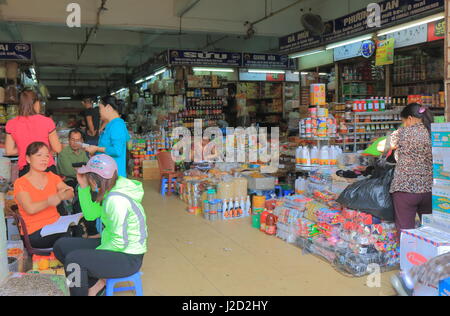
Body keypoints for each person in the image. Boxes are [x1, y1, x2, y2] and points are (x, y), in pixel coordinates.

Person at [53, 154, 147, 296]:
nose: (88, 179)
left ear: (96, 178)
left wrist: (92, 256)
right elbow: (90, 214)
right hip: (112, 244)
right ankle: (90, 286)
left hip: (128, 256)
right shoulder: (111, 189)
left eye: (89, 176)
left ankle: (88, 289)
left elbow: (120, 243)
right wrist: (83, 187)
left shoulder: (116, 200)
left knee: (74, 260)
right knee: (61, 245)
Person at [14, 142, 76, 249]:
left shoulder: (52, 176)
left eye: (47, 155)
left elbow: (70, 192)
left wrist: (61, 196)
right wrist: (50, 201)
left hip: (56, 225)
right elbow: (30, 209)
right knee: (67, 240)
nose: (44, 159)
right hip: (35, 232)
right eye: (39, 155)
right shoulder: (20, 183)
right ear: (28, 159)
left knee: (75, 231)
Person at [390, 103, 434, 233]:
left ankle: (407, 253)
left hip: (405, 189)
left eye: (404, 121)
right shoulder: (433, 131)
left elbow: (383, 147)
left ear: (409, 118)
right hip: (429, 189)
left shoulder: (403, 132)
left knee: (405, 231)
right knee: (430, 231)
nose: (404, 124)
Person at [5, 89, 63, 177]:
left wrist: (24, 148)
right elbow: (58, 148)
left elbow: (9, 151)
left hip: (25, 169)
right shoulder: (47, 121)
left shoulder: (11, 123)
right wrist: (43, 150)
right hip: (46, 166)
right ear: (35, 103)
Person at [85, 96, 130, 177]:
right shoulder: (111, 125)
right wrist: (95, 153)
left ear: (108, 107)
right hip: (107, 173)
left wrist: (97, 148)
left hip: (114, 175)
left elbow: (117, 150)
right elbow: (106, 148)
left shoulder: (117, 125)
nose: (99, 112)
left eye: (100, 108)